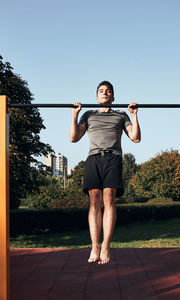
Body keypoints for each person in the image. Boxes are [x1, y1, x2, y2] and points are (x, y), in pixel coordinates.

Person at [69, 81, 141, 264]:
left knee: (109, 198)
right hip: (93, 158)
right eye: (101, 91)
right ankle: (95, 245)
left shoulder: (121, 115)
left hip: (113, 158)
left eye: (108, 91)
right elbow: (73, 138)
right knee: (94, 200)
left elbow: (136, 138)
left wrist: (134, 115)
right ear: (97, 97)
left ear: (113, 97)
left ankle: (106, 245)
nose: (104, 93)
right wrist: (74, 115)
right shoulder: (89, 115)